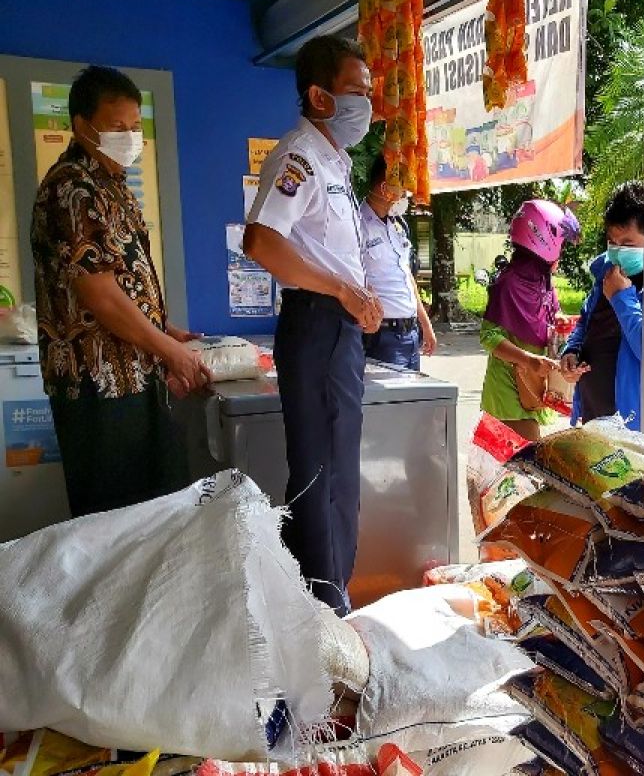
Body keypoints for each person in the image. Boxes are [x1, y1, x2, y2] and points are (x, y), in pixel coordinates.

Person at [244, 36, 383, 616]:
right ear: (320, 96)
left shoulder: (333, 163)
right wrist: (342, 291)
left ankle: (311, 600)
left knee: (331, 472)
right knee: (326, 475)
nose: (368, 104)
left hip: (335, 327)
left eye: (369, 92)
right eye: (357, 91)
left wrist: (355, 294)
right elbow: (262, 240)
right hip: (319, 325)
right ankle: (327, 609)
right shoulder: (299, 155)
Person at [30, 65, 209, 517]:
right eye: (116, 127)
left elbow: (127, 281)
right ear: (81, 126)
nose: (129, 137)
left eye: (134, 127)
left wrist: (166, 330)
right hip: (98, 386)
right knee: (116, 526)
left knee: (155, 511)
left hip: (133, 379)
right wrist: (168, 350)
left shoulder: (112, 186)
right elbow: (101, 296)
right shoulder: (71, 187)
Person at [480, 199, 580, 441]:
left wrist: (564, 324)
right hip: (507, 387)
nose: (562, 252)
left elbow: (551, 317)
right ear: (546, 242)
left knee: (520, 471)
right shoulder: (508, 283)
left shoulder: (543, 282)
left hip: (534, 384)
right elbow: (489, 337)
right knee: (528, 465)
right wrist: (528, 360)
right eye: (562, 245)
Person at [560, 181, 644, 428]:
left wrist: (622, 298)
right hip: (591, 415)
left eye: (628, 244)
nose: (618, 251)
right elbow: (586, 323)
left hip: (627, 425)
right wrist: (571, 352)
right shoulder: (604, 276)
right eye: (612, 241)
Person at [360, 154, 436, 370]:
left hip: (410, 333)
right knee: (390, 401)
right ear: (385, 189)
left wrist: (425, 323)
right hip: (382, 336)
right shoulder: (358, 226)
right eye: (402, 189)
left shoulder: (396, 225)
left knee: (411, 400)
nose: (405, 195)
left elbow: (406, 276)